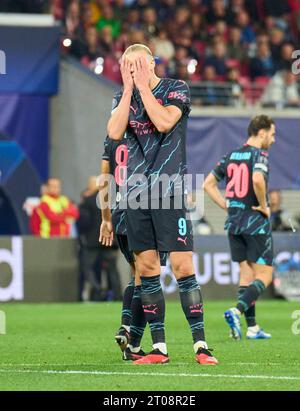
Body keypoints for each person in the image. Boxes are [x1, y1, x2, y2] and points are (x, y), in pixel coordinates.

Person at [107, 43, 218, 365]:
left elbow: (165, 122)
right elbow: (114, 133)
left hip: (168, 190)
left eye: (138, 64)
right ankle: (159, 349)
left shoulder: (175, 89)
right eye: (127, 65)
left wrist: (142, 86)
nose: (132, 69)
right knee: (147, 269)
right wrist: (129, 90)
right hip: (134, 193)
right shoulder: (121, 97)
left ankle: (201, 346)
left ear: (152, 63)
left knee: (183, 267)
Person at [204, 115, 275, 340]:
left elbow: (208, 184)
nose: (273, 140)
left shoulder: (231, 155)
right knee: (265, 276)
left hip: (234, 222)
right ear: (261, 132)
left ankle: (251, 327)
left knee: (246, 274)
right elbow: (256, 179)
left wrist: (228, 206)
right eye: (272, 134)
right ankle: (236, 311)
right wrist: (264, 206)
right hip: (254, 221)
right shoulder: (259, 155)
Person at [99, 136, 167, 360]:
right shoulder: (147, 132)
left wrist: (106, 219)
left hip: (119, 212)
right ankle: (131, 333)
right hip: (144, 211)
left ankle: (128, 334)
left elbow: (104, 181)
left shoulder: (112, 138)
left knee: (137, 273)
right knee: (146, 276)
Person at [78, 176, 122, 302]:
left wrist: (84, 235)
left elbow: (84, 222)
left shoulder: (88, 200)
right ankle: (117, 295)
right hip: (110, 240)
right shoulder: (111, 200)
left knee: (87, 266)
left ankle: (97, 288)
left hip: (93, 241)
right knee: (112, 269)